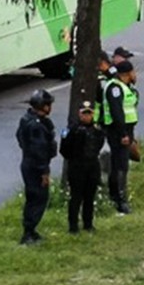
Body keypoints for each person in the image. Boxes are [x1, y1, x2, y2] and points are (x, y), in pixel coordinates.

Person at [17, 89, 58, 244]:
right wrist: (44, 172)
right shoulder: (38, 126)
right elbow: (39, 149)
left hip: (28, 163)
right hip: (36, 166)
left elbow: (19, 138)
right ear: (44, 106)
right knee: (38, 197)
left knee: (33, 197)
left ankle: (30, 231)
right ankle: (28, 232)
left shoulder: (26, 119)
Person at [59, 100, 107, 234]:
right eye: (84, 114)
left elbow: (99, 145)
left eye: (89, 113)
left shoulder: (97, 131)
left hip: (92, 166)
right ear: (79, 114)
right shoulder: (71, 130)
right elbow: (64, 150)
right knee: (76, 197)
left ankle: (88, 224)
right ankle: (73, 226)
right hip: (77, 166)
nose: (87, 116)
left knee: (90, 197)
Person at [100, 59, 140, 214]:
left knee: (121, 164)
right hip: (118, 131)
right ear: (128, 73)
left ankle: (118, 197)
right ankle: (119, 199)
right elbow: (117, 112)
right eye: (133, 72)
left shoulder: (122, 86)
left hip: (124, 130)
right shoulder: (115, 88)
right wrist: (123, 134)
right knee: (120, 166)